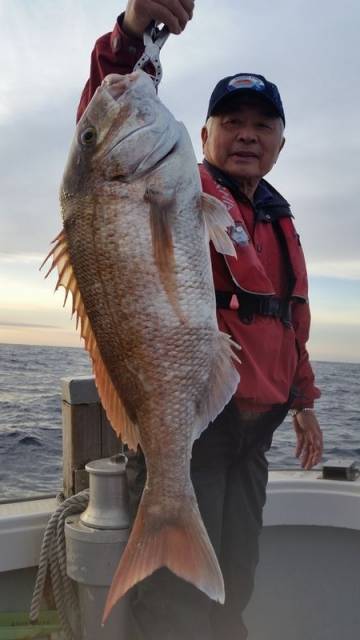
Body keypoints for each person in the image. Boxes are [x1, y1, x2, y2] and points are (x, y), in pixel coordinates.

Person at [77, 2, 323, 638]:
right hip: (191, 426)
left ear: (280, 143)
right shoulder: (187, 190)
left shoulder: (276, 217)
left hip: (255, 434)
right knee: (178, 600)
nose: (248, 134)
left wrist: (304, 402)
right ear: (205, 135)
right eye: (231, 122)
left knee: (233, 578)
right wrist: (133, 34)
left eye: (263, 125)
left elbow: (288, 322)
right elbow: (100, 124)